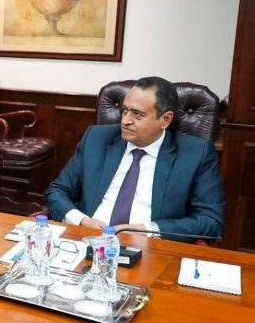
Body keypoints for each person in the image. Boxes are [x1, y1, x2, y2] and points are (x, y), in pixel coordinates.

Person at [45, 76, 224, 242]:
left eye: (137, 114)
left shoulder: (196, 153)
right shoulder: (96, 139)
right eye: (124, 110)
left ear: (165, 119)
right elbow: (57, 191)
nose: (125, 121)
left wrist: (149, 230)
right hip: (88, 239)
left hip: (150, 248)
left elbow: (211, 220)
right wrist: (82, 221)